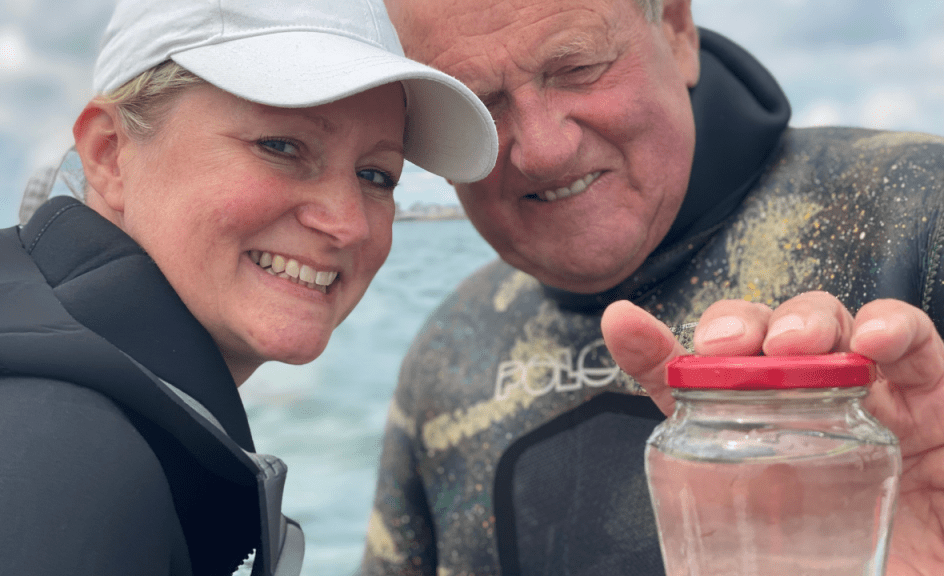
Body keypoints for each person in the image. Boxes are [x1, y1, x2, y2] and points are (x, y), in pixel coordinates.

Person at [359, 0, 944, 574]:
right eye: (479, 106)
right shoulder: (452, 346)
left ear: (676, 27)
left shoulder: (923, 219)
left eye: (577, 69)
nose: (543, 150)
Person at [0, 0, 497, 574]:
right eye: (281, 146)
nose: (347, 223)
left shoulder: (16, 368)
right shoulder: (58, 469)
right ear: (109, 155)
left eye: (376, 176)